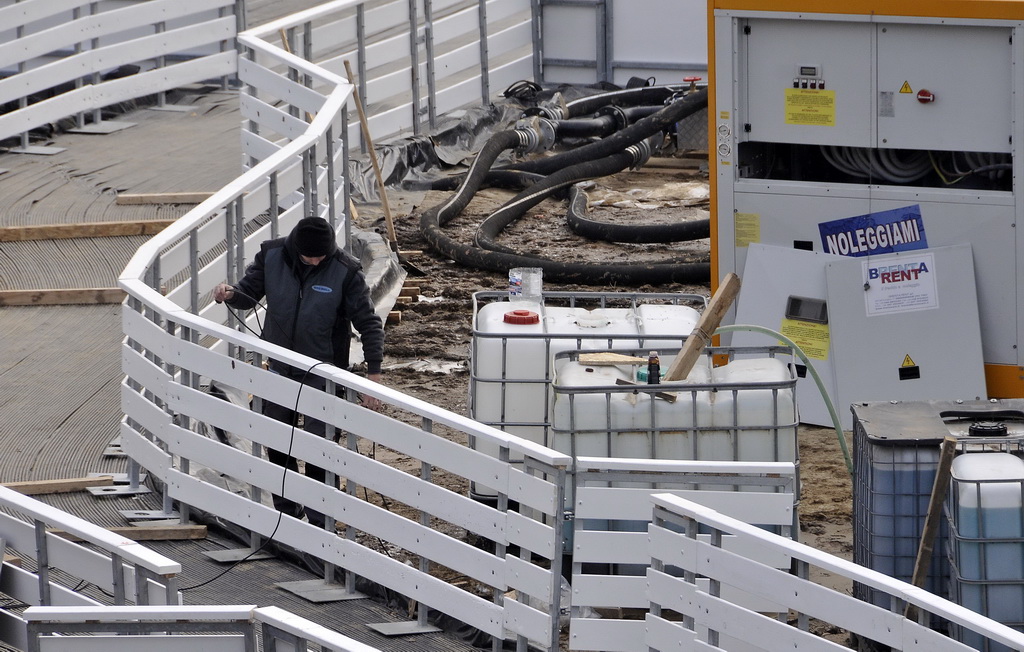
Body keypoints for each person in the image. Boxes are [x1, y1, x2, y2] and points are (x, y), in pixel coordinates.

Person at [213, 216, 385, 527]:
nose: (317, 261)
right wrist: (231, 294)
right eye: (311, 257)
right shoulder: (272, 256)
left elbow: (369, 324)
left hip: (324, 372)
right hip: (279, 367)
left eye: (322, 256)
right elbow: (248, 291)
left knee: (320, 446)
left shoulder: (345, 271)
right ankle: (288, 511)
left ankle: (321, 521)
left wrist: (373, 375)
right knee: (277, 438)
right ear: (296, 249)